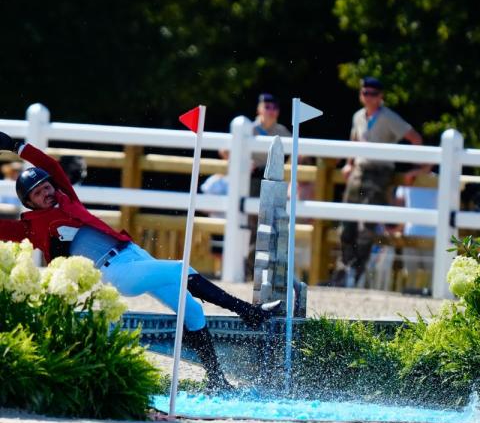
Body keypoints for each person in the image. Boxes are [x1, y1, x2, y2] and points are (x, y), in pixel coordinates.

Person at [0, 132, 281, 391]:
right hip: (117, 272)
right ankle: (248, 312)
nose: (46, 192)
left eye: (46, 186)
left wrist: (16, 146)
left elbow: (51, 164)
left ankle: (216, 381)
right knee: (182, 269)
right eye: (38, 193)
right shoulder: (30, 228)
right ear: (30, 203)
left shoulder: (65, 197)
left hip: (133, 254)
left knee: (192, 310)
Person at [333, 76, 429, 287]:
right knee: (345, 223)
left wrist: (420, 168)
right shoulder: (358, 116)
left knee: (367, 226)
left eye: (373, 94)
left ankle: (355, 274)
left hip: (379, 172)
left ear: (381, 96)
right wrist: (349, 163)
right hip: (359, 170)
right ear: (361, 95)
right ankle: (344, 270)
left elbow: (415, 138)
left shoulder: (388, 117)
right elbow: (354, 140)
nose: (369, 97)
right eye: (365, 93)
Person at [246, 93, 291, 279]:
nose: (270, 111)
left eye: (274, 108)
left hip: (272, 180)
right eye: (267, 107)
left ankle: (262, 271)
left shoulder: (281, 130)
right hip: (252, 180)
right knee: (253, 225)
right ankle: (249, 269)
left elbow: (298, 153)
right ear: (259, 109)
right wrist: (244, 161)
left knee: (269, 224)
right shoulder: (249, 128)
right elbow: (225, 151)